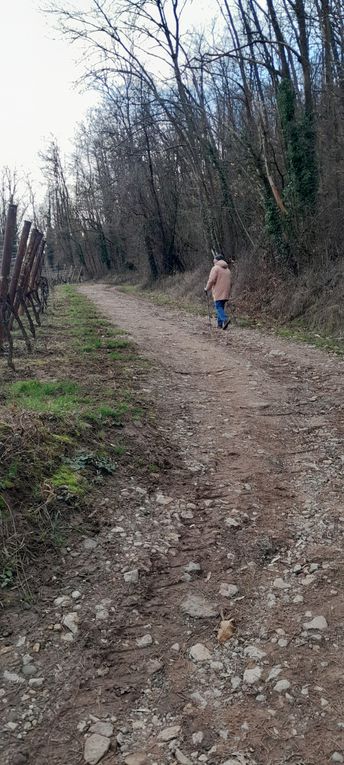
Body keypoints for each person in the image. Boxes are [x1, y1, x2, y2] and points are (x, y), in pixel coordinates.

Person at [204, 253, 232, 329]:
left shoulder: (215, 268)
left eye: (214, 260)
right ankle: (220, 325)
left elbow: (211, 280)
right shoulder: (227, 269)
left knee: (218, 307)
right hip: (226, 291)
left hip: (218, 291)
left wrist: (207, 288)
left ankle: (225, 319)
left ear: (217, 260)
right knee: (221, 307)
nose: (213, 261)